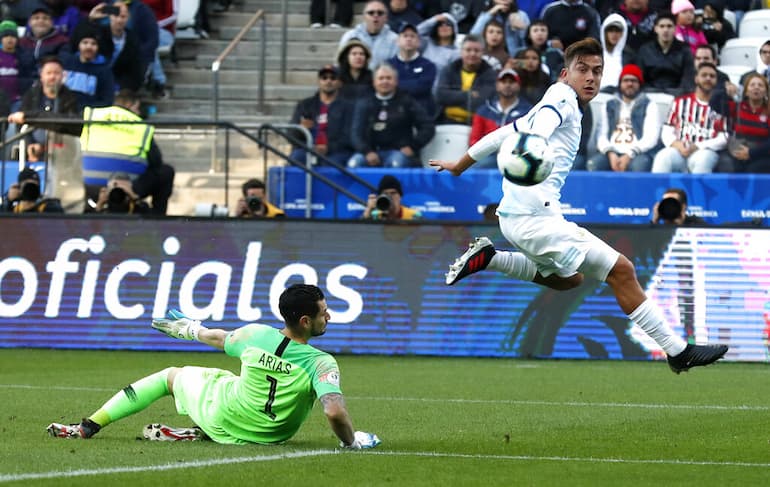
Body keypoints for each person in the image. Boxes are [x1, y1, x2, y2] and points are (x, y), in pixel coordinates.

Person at [428, 38, 728, 374]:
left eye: (597, 71)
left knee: (569, 280)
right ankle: (678, 351)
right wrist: (535, 146)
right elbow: (539, 128)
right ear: (565, 73)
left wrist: (460, 164)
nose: (590, 78)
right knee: (622, 270)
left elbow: (503, 133)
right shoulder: (562, 98)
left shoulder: (550, 100)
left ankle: (492, 258)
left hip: (517, 217)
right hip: (535, 217)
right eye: (582, 70)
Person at [47, 284, 382, 449]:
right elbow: (334, 412)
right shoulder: (321, 362)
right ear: (306, 321)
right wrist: (352, 442)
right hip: (268, 438)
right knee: (224, 380)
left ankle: (88, 426)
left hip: (227, 414)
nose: (330, 316)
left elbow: (220, 338)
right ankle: (198, 432)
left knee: (170, 377)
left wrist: (192, 329)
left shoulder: (254, 335)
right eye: (325, 312)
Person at [80, 89, 175, 214]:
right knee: (166, 172)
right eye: (138, 108)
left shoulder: (92, 115)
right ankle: (157, 218)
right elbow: (156, 161)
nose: (138, 112)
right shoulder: (140, 125)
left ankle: (92, 209)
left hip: (93, 187)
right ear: (132, 105)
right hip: (129, 187)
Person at [348, 63, 435, 168]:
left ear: (396, 81)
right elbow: (356, 133)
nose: (385, 81)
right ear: (374, 82)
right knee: (354, 163)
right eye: (381, 78)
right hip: (371, 152)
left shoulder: (407, 101)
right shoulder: (364, 103)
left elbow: (428, 127)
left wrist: (413, 147)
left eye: (389, 78)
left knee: (397, 163)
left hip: (398, 152)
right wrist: (366, 151)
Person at [651, 63, 727, 174]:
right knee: (662, 157)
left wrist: (698, 146)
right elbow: (667, 130)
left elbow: (724, 138)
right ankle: (658, 191)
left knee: (703, 160)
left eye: (712, 76)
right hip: (679, 149)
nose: (708, 78)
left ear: (716, 80)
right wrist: (676, 144)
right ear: (696, 79)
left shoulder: (722, 106)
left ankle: (699, 192)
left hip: (705, 150)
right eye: (704, 75)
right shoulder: (680, 102)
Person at [7, 56, 81, 163]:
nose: (52, 76)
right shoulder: (31, 95)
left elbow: (70, 126)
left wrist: (44, 147)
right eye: (49, 73)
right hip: (29, 149)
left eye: (56, 73)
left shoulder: (71, 98)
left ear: (63, 76)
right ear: (41, 75)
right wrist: (30, 145)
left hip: (61, 150)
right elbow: (21, 124)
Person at [588, 64, 660, 172]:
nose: (629, 84)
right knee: (594, 164)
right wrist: (610, 152)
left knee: (639, 166)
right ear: (620, 83)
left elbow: (651, 138)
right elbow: (600, 135)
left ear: (639, 84)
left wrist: (629, 154)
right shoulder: (609, 105)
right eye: (626, 80)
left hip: (638, 153)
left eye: (633, 80)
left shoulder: (649, 105)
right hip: (612, 152)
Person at [289, 64, 355, 167]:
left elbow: (350, 136)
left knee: (332, 164)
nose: (328, 81)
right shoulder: (305, 105)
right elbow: (291, 134)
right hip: (308, 149)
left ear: (339, 83)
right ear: (319, 81)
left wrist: (328, 147)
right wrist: (301, 130)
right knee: (296, 157)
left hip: (337, 152)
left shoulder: (348, 107)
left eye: (333, 78)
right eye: (324, 78)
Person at [469, 68, 533, 168]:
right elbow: (474, 140)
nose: (507, 85)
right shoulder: (484, 110)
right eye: (503, 82)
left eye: (511, 82)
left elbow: (530, 140)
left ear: (519, 86)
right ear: (497, 86)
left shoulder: (528, 111)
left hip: (517, 157)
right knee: (476, 166)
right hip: (489, 156)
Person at [434, 34, 497, 125]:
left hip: (476, 124)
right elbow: (440, 96)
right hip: (446, 121)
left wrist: (453, 98)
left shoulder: (490, 74)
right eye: (468, 50)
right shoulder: (449, 69)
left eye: (476, 50)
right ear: (461, 52)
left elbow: (481, 103)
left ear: (483, 52)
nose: (472, 54)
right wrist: (468, 95)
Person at [717, 73, 770, 174]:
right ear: (745, 92)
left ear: (766, 92)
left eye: (760, 85)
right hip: (736, 152)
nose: (756, 88)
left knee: (756, 168)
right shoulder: (736, 107)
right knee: (726, 164)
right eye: (752, 85)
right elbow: (714, 103)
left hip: (761, 154)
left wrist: (751, 153)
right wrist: (725, 90)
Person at [636, 13, 694, 96]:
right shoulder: (645, 50)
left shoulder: (685, 50)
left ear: (675, 28)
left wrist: (678, 94)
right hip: (649, 94)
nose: (665, 30)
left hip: (677, 95)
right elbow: (640, 77)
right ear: (656, 29)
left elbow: (688, 78)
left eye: (669, 26)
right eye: (662, 26)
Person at [388, 21, 437, 119]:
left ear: (418, 41)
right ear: (398, 41)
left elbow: (422, 88)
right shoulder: (388, 65)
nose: (409, 39)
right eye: (405, 36)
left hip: (421, 115)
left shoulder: (428, 65)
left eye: (412, 36)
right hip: (393, 114)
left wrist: (395, 84)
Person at [62, 25, 115, 109]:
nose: (89, 47)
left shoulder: (105, 71)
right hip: (62, 113)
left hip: (89, 116)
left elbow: (107, 101)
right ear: (79, 45)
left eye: (93, 43)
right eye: (85, 42)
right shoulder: (67, 63)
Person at [337, 1, 398, 70]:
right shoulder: (350, 36)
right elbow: (341, 63)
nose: (375, 15)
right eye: (371, 13)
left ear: (386, 18)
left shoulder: (395, 39)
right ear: (364, 17)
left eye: (380, 13)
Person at [599, 13, 634, 94]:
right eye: (610, 30)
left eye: (617, 31)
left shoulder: (630, 56)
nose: (614, 34)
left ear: (623, 33)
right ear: (604, 32)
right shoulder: (594, 53)